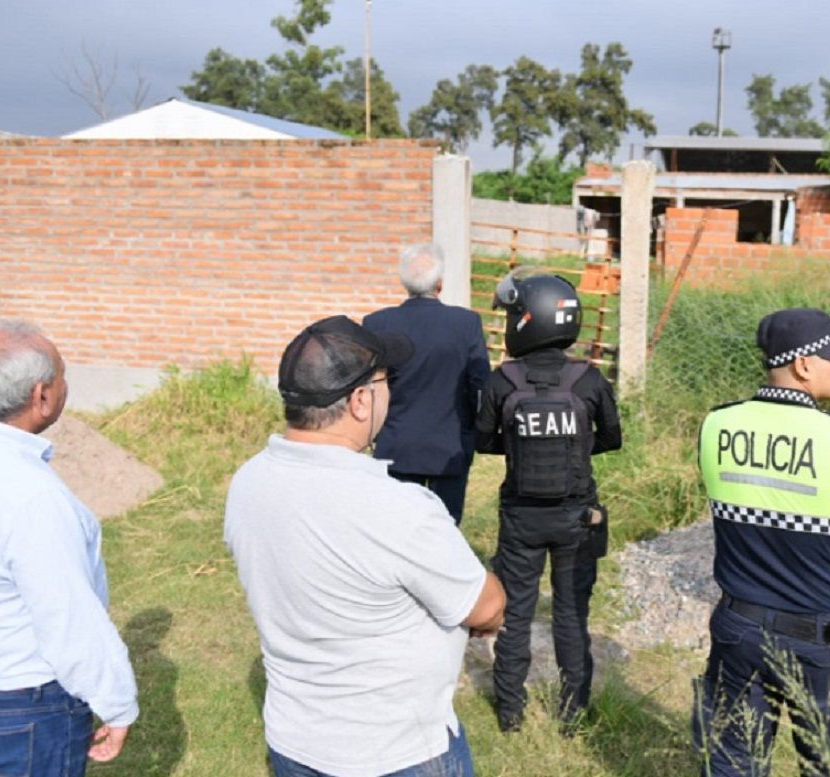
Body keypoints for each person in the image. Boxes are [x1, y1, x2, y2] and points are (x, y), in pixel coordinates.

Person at [224, 315, 506, 777]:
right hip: (397, 750)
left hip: (294, 741)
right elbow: (486, 608)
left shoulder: (248, 482)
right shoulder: (400, 507)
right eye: (385, 381)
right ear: (360, 400)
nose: (390, 392)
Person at [691, 308, 830, 777]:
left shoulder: (717, 425)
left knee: (732, 762)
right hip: (822, 641)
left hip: (738, 628)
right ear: (803, 365)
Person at [475, 270, 622, 733]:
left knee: (516, 611)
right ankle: (573, 714)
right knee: (571, 614)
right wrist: (574, 447)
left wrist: (519, 445)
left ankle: (510, 713)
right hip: (578, 516)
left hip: (521, 518)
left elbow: (483, 440)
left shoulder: (502, 382)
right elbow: (612, 439)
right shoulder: (590, 379)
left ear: (526, 320)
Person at [0, 320, 138, 775]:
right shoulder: (32, 497)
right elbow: (67, 616)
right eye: (61, 376)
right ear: (41, 396)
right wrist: (116, 704)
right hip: (23, 709)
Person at [363, 243, 491, 524]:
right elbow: (481, 385)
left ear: (404, 282)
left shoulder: (376, 324)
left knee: (396, 529)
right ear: (440, 284)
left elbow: (367, 387)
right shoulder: (466, 323)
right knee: (444, 528)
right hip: (450, 444)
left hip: (396, 445)